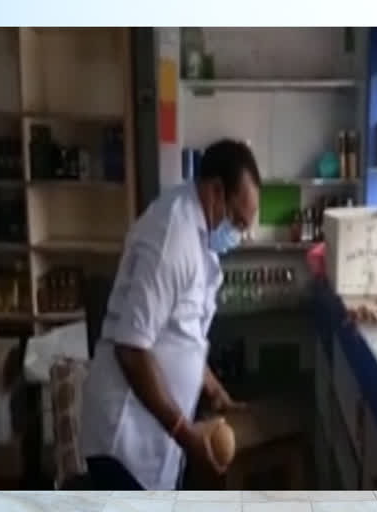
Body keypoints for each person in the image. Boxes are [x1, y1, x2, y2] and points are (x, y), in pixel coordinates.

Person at [81, 139, 260, 490]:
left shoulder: (198, 237)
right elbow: (131, 349)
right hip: (125, 436)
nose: (239, 235)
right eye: (238, 222)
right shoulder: (173, 239)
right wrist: (184, 433)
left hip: (153, 437)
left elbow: (181, 333)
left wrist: (214, 389)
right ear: (216, 192)